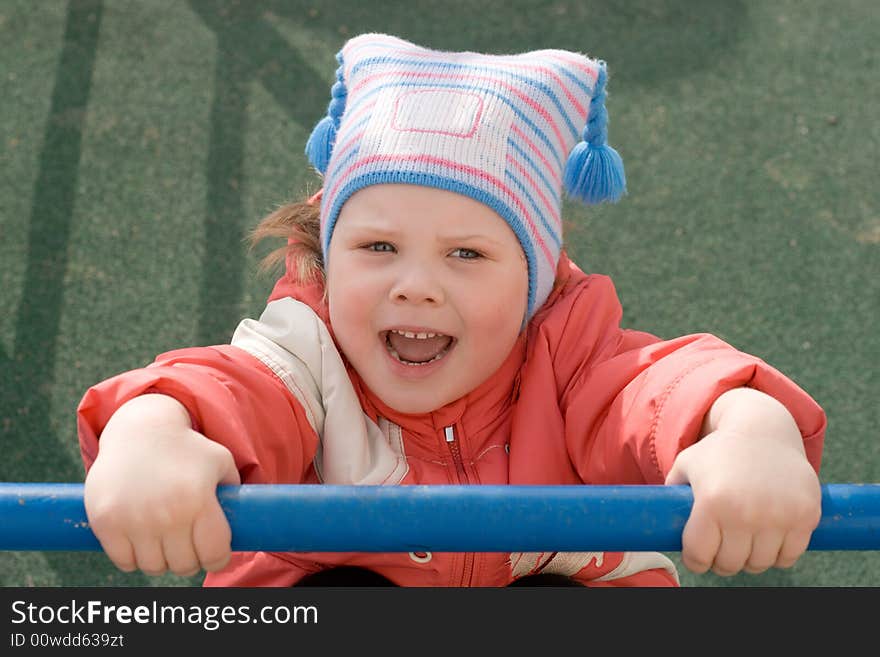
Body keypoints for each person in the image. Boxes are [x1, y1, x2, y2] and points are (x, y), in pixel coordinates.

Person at [77, 33, 826, 587]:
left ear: (531, 284)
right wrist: (155, 427)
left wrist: (745, 425)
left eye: (465, 255)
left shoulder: (564, 350)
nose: (415, 285)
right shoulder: (310, 351)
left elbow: (652, 387)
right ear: (329, 263)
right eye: (376, 248)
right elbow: (236, 387)